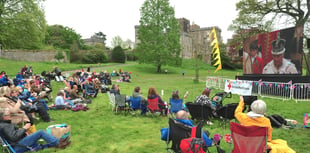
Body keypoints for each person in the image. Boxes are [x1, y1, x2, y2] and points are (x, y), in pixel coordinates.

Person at [0, 110, 70, 152]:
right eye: (8, 114)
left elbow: (13, 134)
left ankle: (57, 141)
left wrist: (23, 132)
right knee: (40, 132)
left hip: (17, 143)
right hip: (17, 146)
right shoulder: (5, 126)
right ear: (3, 117)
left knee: (39, 135)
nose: (10, 115)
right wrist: (24, 128)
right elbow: (14, 137)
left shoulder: (5, 124)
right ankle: (57, 142)